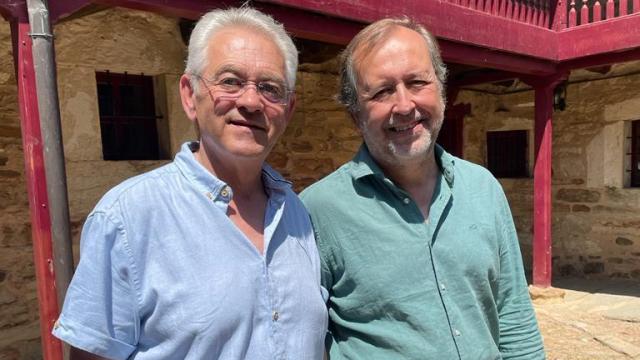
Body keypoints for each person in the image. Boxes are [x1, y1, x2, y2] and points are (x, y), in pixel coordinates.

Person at [53, 7, 328, 359]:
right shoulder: (127, 219)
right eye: (230, 81)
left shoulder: (296, 215)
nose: (250, 101)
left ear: (287, 110)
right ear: (189, 94)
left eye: (269, 88)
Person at [300, 17, 545, 360]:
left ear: (442, 92)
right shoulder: (316, 211)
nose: (403, 106)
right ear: (355, 115)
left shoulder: (483, 189)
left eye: (417, 82)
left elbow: (514, 315)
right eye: (382, 91)